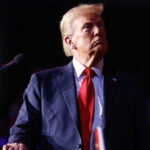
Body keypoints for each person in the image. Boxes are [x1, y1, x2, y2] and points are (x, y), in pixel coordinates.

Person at [3, 3, 149, 150]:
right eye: (88, 27)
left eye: (100, 25)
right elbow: (24, 129)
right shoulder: (44, 83)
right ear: (70, 42)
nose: (98, 31)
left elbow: (143, 140)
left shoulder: (129, 86)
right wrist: (18, 143)